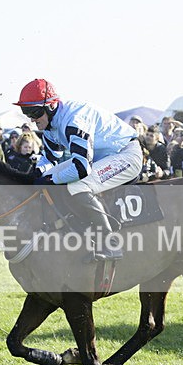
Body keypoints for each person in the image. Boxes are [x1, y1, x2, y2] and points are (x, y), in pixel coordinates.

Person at [14, 78, 141, 261]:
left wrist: (50, 180)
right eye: (26, 112)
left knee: (77, 186)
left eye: (34, 112)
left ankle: (110, 244)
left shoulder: (74, 121)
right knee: (49, 176)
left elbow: (81, 168)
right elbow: (50, 159)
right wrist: (38, 174)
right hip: (104, 157)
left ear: (51, 106)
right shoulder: (51, 126)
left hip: (126, 155)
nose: (32, 119)